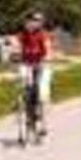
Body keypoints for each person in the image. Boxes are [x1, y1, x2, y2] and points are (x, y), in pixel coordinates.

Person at [12, 9, 53, 139]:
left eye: (37, 21)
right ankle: (20, 104)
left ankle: (43, 125)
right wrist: (13, 52)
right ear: (26, 22)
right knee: (22, 79)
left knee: (42, 92)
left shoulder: (42, 35)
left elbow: (48, 49)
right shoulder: (22, 35)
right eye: (31, 21)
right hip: (26, 64)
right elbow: (15, 45)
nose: (34, 24)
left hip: (42, 65)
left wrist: (47, 57)